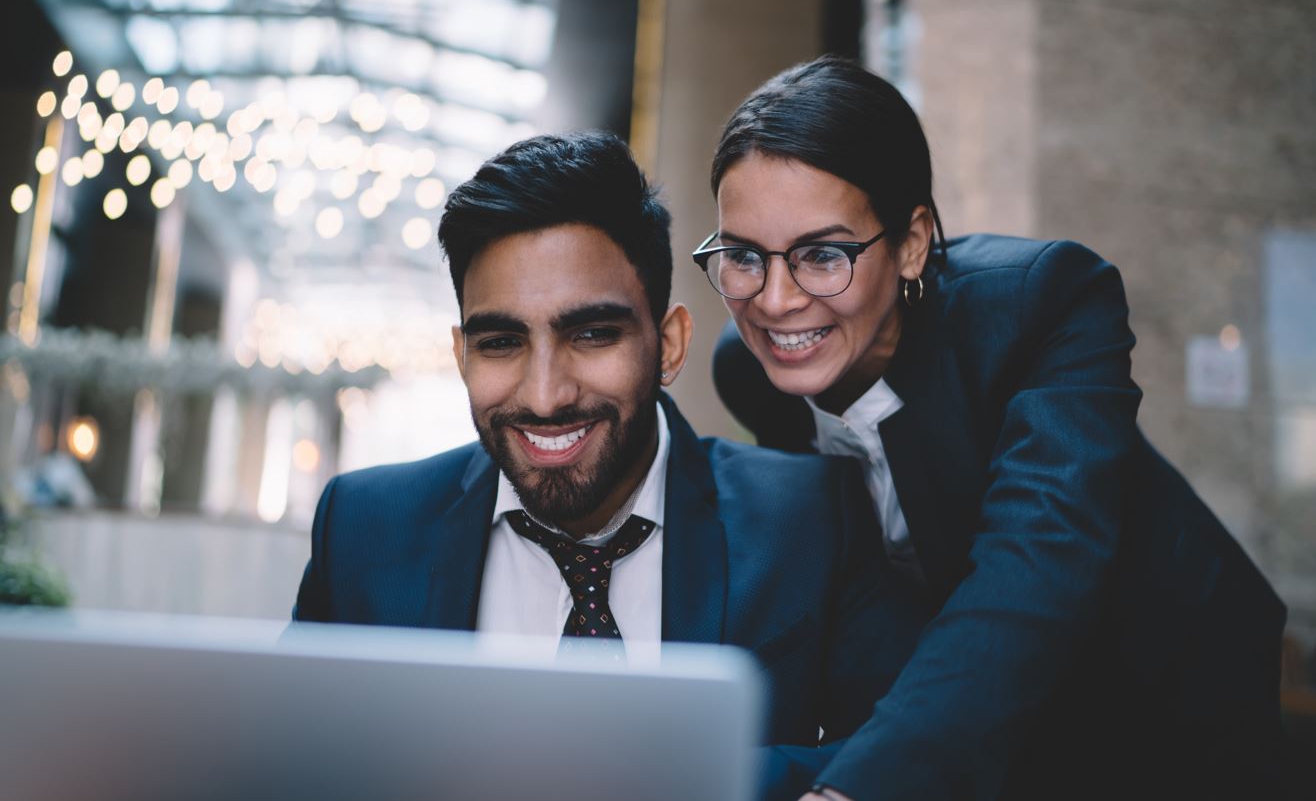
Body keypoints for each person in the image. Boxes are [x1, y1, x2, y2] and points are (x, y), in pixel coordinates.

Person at [696, 56, 1289, 800]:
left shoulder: (1042, 306)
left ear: (912, 242)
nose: (775, 302)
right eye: (744, 257)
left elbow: (1035, 567)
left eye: (822, 255)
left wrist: (860, 786)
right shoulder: (749, 371)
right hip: (967, 706)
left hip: (1163, 679)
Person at [292, 131, 927, 799]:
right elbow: (281, 761)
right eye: (501, 343)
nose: (545, 395)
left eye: (592, 334)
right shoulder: (363, 531)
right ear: (461, 356)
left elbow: (910, 758)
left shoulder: (813, 515)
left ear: (670, 344)